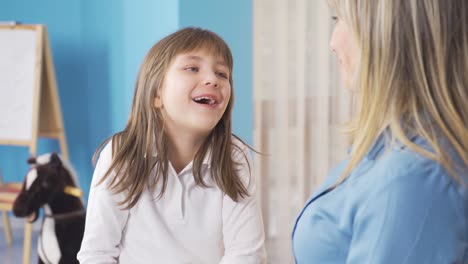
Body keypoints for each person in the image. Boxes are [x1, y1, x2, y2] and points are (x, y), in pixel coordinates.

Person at [292, 0, 468, 263]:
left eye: (341, 20)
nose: (333, 42)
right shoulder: (392, 146)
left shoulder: (414, 179)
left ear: (389, 35)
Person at [78, 27, 266, 264]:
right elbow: (97, 253)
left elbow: (246, 254)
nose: (212, 80)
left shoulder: (234, 157)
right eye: (192, 68)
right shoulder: (121, 155)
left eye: (222, 73)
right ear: (156, 93)